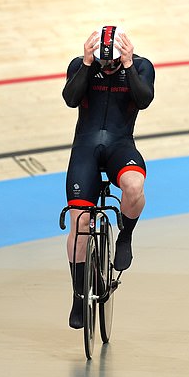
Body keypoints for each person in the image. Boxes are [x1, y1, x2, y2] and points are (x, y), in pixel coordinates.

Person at [62, 26, 155, 329]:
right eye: (103, 62)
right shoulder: (82, 65)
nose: (107, 67)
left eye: (111, 62)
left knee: (134, 185)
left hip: (120, 145)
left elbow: (143, 100)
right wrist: (88, 64)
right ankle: (78, 296)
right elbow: (71, 99)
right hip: (86, 149)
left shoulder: (140, 66)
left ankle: (125, 235)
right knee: (80, 221)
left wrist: (127, 66)